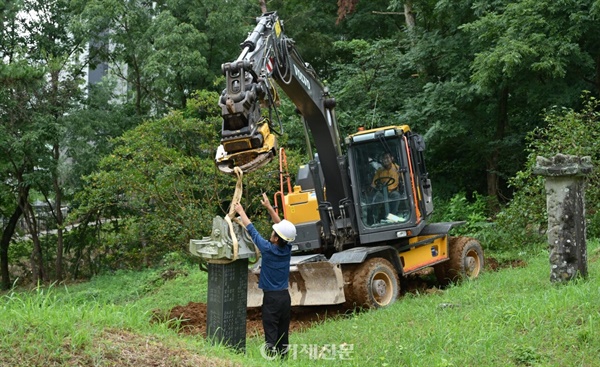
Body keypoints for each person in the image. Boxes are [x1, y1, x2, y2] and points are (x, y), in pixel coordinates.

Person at [233, 193, 296, 358]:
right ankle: (283, 359)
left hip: (272, 299)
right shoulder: (287, 249)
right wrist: (269, 208)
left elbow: (251, 230)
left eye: (273, 233)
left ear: (275, 239)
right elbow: (283, 229)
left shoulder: (268, 249)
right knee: (283, 332)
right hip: (285, 297)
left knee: (271, 332)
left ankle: (271, 359)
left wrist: (240, 211)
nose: (272, 233)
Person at [371, 152, 403, 218]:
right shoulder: (380, 171)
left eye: (387, 158)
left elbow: (404, 180)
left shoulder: (397, 169)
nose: (385, 160)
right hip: (382, 192)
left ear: (392, 158)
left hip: (393, 191)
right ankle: (375, 218)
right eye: (383, 158)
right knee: (376, 199)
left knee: (396, 196)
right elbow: (373, 184)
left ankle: (392, 216)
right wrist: (371, 189)